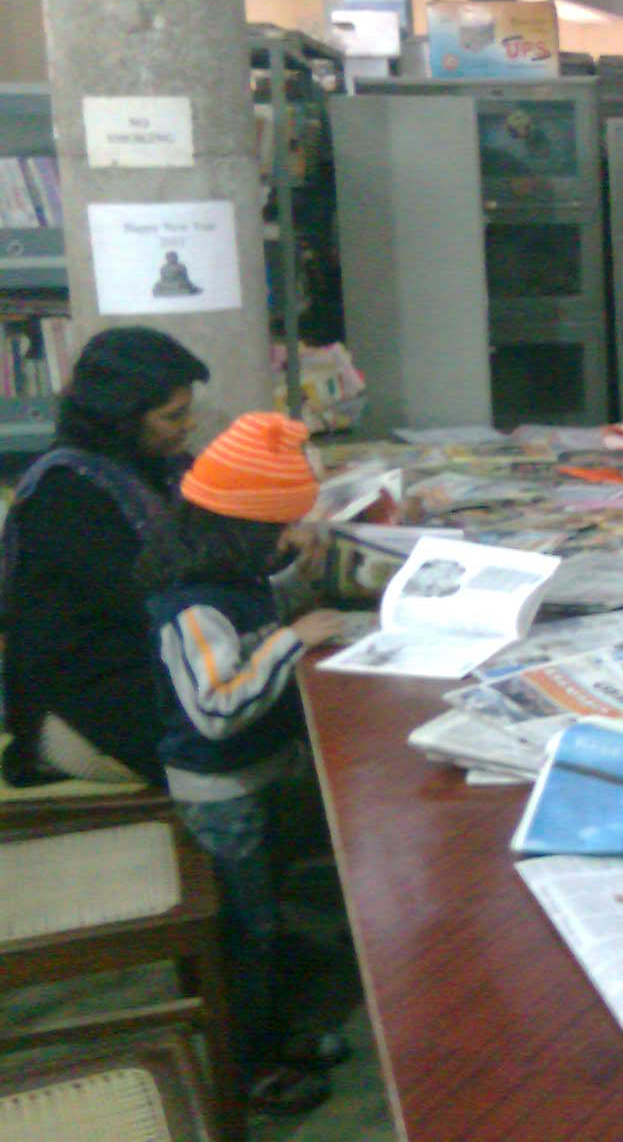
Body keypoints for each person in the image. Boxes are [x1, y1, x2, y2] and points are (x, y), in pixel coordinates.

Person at [134, 410, 349, 1115]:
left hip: (253, 780)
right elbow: (217, 705)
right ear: (241, 529)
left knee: (264, 917)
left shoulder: (227, 576)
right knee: (245, 932)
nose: (290, 538)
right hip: (219, 791)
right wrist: (291, 639)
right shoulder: (191, 605)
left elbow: (251, 623)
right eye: (280, 530)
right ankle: (250, 1065)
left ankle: (276, 1035)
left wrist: (292, 589)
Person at [0, 326, 209, 786]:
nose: (188, 426)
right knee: (256, 728)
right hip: (88, 699)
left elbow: (213, 552)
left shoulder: (163, 468)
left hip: (147, 663)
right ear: (124, 417)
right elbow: (153, 601)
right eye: (174, 416)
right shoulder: (66, 493)